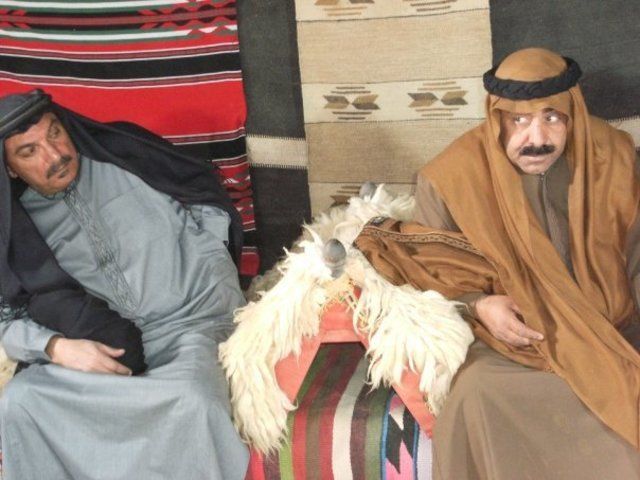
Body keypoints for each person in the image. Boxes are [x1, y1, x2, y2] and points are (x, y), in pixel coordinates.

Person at [355, 47, 640, 479]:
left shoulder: (614, 156)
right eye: (519, 120)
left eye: (552, 117)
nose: (537, 137)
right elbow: (431, 274)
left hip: (613, 328)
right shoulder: (450, 177)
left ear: (573, 113)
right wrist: (479, 305)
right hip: (517, 345)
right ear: (496, 117)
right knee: (475, 391)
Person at [0, 89, 249, 479]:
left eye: (54, 134)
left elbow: (203, 192)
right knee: (21, 400)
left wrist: (211, 256)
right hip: (108, 351)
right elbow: (6, 318)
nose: (54, 155)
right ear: (10, 169)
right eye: (29, 152)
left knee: (195, 401)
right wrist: (56, 347)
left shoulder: (124, 155)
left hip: (191, 327)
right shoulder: (15, 228)